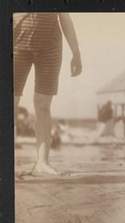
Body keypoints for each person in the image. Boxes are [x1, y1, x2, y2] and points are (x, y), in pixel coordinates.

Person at [13, 13, 82, 176]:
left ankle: (42, 163)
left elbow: (64, 17)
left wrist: (76, 52)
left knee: (43, 105)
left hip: (50, 46)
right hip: (16, 42)